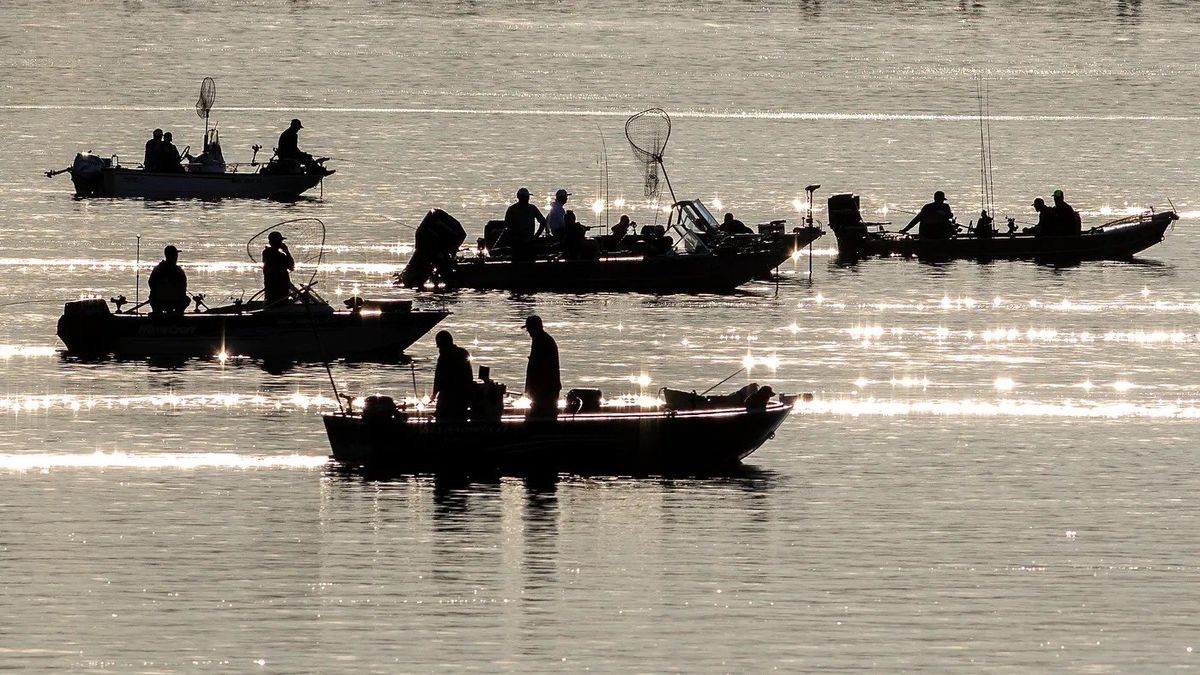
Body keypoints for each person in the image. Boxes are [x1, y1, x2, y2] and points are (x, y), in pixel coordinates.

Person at [523, 315, 561, 420]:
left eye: (529, 329)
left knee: (543, 417)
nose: (528, 332)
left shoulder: (543, 342)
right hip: (543, 390)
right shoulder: (540, 340)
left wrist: (533, 389)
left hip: (546, 391)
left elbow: (540, 369)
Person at [431, 330, 473, 423]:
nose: (439, 349)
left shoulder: (444, 357)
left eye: (439, 346)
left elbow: (438, 377)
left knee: (442, 419)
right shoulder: (463, 353)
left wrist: (434, 394)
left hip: (448, 396)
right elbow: (469, 376)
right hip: (463, 397)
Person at [502, 187, 547, 259]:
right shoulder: (513, 209)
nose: (527, 199)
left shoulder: (531, 208)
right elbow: (506, 226)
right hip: (517, 243)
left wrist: (535, 236)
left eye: (527, 197)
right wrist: (536, 236)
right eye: (525, 197)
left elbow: (543, 222)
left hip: (527, 242)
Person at [147, 245, 189, 315]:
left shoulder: (157, 269)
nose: (176, 257)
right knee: (187, 300)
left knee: (152, 297)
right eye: (175, 255)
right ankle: (177, 315)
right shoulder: (179, 271)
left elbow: (150, 283)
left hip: (159, 301)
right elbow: (183, 288)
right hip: (172, 301)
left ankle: (158, 314)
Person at [261, 231, 296, 305]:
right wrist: (287, 251)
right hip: (280, 289)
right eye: (280, 241)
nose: (281, 243)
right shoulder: (280, 256)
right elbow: (291, 267)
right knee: (279, 304)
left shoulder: (266, 252)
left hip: (271, 289)